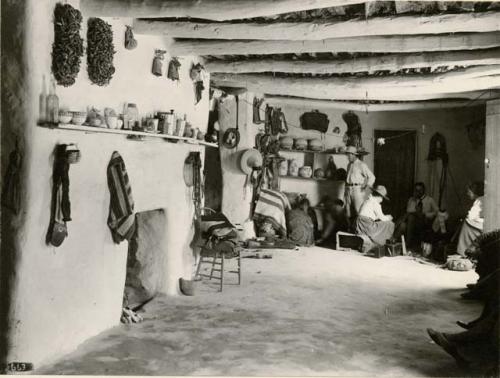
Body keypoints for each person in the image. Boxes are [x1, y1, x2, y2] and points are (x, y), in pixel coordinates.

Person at [396, 182, 439, 248]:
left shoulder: (430, 200)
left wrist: (426, 214)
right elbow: (408, 211)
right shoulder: (411, 199)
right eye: (416, 190)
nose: (418, 192)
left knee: (409, 218)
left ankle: (407, 244)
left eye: (420, 190)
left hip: (424, 221)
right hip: (412, 221)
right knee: (402, 225)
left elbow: (437, 212)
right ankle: (395, 242)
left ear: (424, 190)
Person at [354, 185, 394, 250]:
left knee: (380, 224)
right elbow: (382, 218)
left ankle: (375, 242)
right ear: (380, 197)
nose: (382, 200)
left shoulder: (368, 200)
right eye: (382, 198)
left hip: (359, 224)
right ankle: (383, 243)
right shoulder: (375, 203)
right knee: (390, 224)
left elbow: (370, 215)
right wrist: (389, 217)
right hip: (366, 225)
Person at [344, 146, 375, 221]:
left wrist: (366, 186)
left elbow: (372, 177)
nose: (347, 157)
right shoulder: (349, 165)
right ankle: (349, 229)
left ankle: (360, 229)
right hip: (348, 189)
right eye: (347, 155)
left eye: (348, 155)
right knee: (347, 211)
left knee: (359, 211)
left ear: (353, 154)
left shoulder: (361, 164)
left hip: (357, 190)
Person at [457, 181, 484, 256]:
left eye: (469, 192)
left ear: (475, 192)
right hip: (482, 223)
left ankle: (462, 251)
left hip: (482, 226)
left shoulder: (480, 200)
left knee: (466, 223)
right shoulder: (481, 199)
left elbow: (471, 216)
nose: (467, 194)